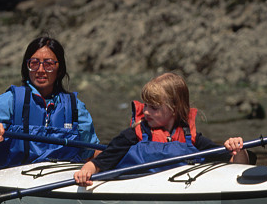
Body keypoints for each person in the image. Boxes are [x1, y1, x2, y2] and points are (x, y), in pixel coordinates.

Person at [74, 72, 249, 186]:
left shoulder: (192, 138)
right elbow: (99, 163)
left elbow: (238, 164)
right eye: (146, 106)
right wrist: (85, 172)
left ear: (175, 108)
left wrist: (238, 148)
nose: (147, 112)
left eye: (155, 108)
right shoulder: (131, 136)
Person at [0, 36, 100, 170]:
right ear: (27, 67)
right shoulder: (11, 101)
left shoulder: (76, 108)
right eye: (34, 63)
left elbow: (92, 152)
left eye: (48, 64)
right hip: (11, 180)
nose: (40, 70)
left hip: (59, 180)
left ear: (59, 69)